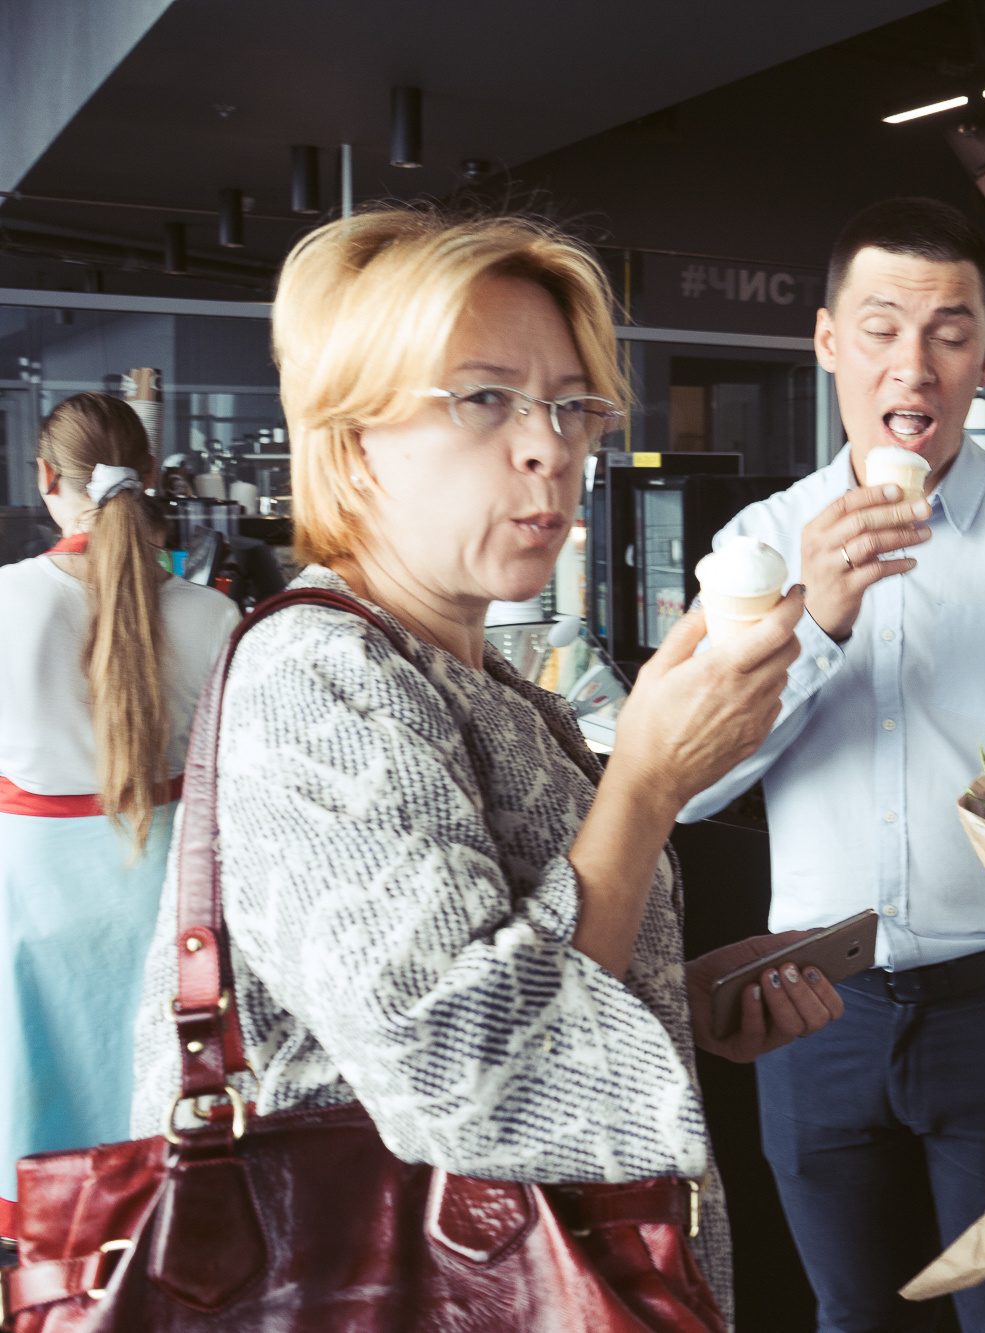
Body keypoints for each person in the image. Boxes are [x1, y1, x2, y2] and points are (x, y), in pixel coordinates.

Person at [127, 209, 846, 1326]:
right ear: (352, 440)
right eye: (483, 398)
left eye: (571, 403)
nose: (548, 444)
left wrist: (670, 1002)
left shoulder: (471, 675)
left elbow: (494, 982)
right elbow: (468, 1065)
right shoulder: (318, 677)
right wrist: (647, 783)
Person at [677, 196, 985, 1332]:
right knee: (853, 1313)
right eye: (882, 325)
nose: (915, 362)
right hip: (815, 1011)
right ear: (826, 342)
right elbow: (688, 786)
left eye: (949, 331)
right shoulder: (760, 543)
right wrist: (818, 625)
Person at [0, 393, 239, 1245]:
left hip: (33, 902)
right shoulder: (213, 616)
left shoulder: (5, 602)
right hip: (170, 905)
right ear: (146, 482)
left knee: (37, 1108)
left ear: (44, 478)